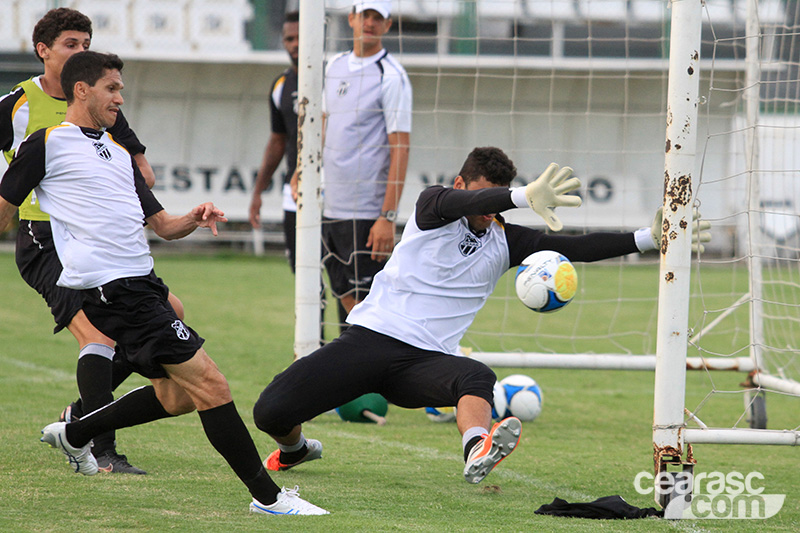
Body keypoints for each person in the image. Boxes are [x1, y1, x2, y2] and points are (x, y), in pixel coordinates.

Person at [253, 147, 710, 484]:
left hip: (424, 363)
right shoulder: (434, 206)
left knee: (475, 375)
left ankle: (477, 448)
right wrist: (518, 195)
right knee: (269, 411)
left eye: (497, 204)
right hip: (369, 340)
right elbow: (462, 205)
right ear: (460, 183)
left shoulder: (507, 239)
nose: (489, 211)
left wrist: (649, 238)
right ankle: (296, 451)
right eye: (484, 198)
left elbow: (578, 248)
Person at [0, 51, 327, 516]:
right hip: (111, 290)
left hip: (144, 283)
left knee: (176, 398)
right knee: (212, 385)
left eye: (120, 89)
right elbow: (4, 208)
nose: (120, 98)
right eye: (111, 89)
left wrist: (192, 217)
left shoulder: (116, 152)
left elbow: (161, 223)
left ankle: (77, 432)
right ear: (81, 90)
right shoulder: (46, 143)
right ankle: (270, 499)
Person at [0, 7, 172, 475]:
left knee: (172, 312)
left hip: (97, 242)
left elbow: (140, 166)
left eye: (85, 43)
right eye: (71, 44)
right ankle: (101, 449)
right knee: (96, 337)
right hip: (44, 239)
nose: (81, 51)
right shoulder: (15, 104)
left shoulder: (97, 100)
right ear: (44, 51)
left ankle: (80, 415)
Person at [317, 0, 412, 326]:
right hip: (330, 208)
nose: (370, 22)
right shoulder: (334, 66)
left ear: (387, 25)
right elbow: (323, 124)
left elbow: (400, 146)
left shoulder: (392, 75)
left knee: (367, 313)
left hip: (366, 213)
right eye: (365, 15)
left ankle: (372, 374)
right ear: (353, 19)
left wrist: (386, 216)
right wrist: (304, 172)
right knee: (344, 302)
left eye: (378, 18)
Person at [249, 11, 300, 271]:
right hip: (295, 193)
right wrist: (258, 192)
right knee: (302, 273)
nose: (295, 44)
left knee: (343, 278)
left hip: (337, 195)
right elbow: (278, 141)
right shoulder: (281, 85)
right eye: (289, 38)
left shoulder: (333, 79)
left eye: (300, 37)